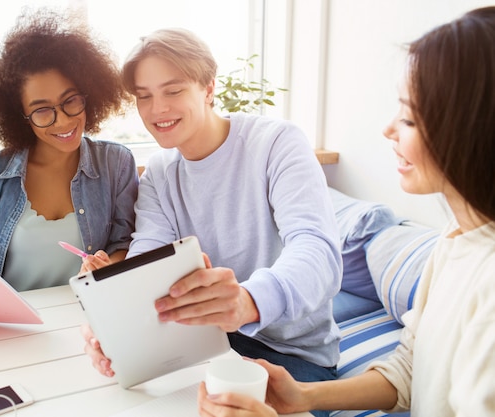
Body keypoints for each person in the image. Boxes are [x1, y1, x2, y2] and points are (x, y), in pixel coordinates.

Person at [197, 6, 495, 417]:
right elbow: (409, 372)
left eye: (409, 116)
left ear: (471, 126)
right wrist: (304, 397)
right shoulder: (456, 238)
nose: (389, 130)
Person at [81, 28, 342, 417]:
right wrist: (114, 324)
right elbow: (148, 259)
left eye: (173, 90)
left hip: (293, 360)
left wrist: (247, 301)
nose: (157, 110)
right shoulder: (159, 172)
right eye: (144, 97)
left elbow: (317, 251)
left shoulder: (276, 143)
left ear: (208, 88)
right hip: (203, 347)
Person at [0, 9, 138, 324]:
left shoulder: (116, 163)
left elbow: (125, 242)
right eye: (41, 110)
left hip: (90, 321)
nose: (62, 120)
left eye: (71, 100)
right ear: (17, 116)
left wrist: (110, 266)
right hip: (10, 326)